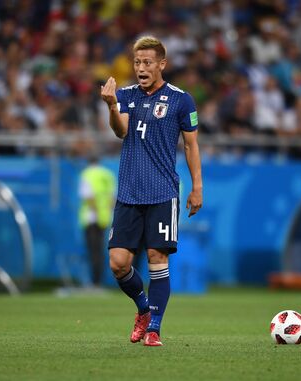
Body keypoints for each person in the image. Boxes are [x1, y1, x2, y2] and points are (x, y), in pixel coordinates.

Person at [100, 35, 203, 347]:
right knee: (118, 263)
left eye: (147, 62)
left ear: (162, 64)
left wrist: (197, 186)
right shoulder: (127, 95)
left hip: (162, 192)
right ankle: (143, 310)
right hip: (129, 193)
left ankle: (154, 328)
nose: (141, 68)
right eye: (137, 62)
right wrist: (111, 106)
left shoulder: (181, 100)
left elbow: (191, 145)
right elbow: (121, 131)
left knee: (157, 257)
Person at [78, 154, 116, 286]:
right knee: (100, 251)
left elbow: (89, 197)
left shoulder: (87, 174)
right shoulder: (107, 174)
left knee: (93, 251)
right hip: (105, 218)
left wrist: (97, 213)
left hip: (92, 218)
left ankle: (95, 282)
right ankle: (99, 280)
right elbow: (112, 198)